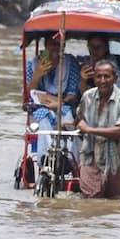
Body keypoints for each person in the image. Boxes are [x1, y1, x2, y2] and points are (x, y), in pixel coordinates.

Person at [76, 60, 120, 199]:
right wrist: (80, 123)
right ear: (94, 78)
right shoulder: (87, 96)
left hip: (117, 161)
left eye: (107, 76)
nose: (102, 80)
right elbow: (79, 117)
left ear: (114, 78)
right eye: (99, 76)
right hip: (90, 158)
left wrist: (90, 130)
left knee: (117, 203)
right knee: (90, 205)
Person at [25, 34, 81, 165]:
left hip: (63, 105)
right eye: (52, 44)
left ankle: (68, 158)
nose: (55, 48)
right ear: (46, 45)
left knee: (67, 116)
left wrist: (58, 103)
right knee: (42, 115)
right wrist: (37, 74)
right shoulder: (33, 64)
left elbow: (72, 93)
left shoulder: (70, 63)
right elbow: (29, 94)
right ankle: (44, 156)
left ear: (63, 46)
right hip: (40, 107)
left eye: (58, 44)